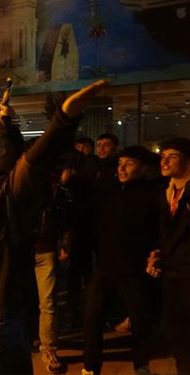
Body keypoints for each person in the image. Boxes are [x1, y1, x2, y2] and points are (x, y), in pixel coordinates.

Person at [0, 80, 109, 375]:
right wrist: (3, 120)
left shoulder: (9, 188)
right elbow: (6, 142)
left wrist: (65, 116)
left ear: (0, 154)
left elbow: (41, 153)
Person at [82, 146, 160, 375]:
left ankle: (142, 365)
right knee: (92, 318)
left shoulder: (153, 194)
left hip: (135, 269)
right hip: (105, 266)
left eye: (129, 163)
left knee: (140, 321)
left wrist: (156, 252)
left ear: (144, 168)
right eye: (120, 163)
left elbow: (160, 230)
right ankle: (90, 367)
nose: (122, 168)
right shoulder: (110, 191)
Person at [146, 138, 190, 374]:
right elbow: (164, 232)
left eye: (171, 156)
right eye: (162, 156)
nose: (164, 161)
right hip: (172, 277)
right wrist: (156, 253)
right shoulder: (164, 192)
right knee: (176, 333)